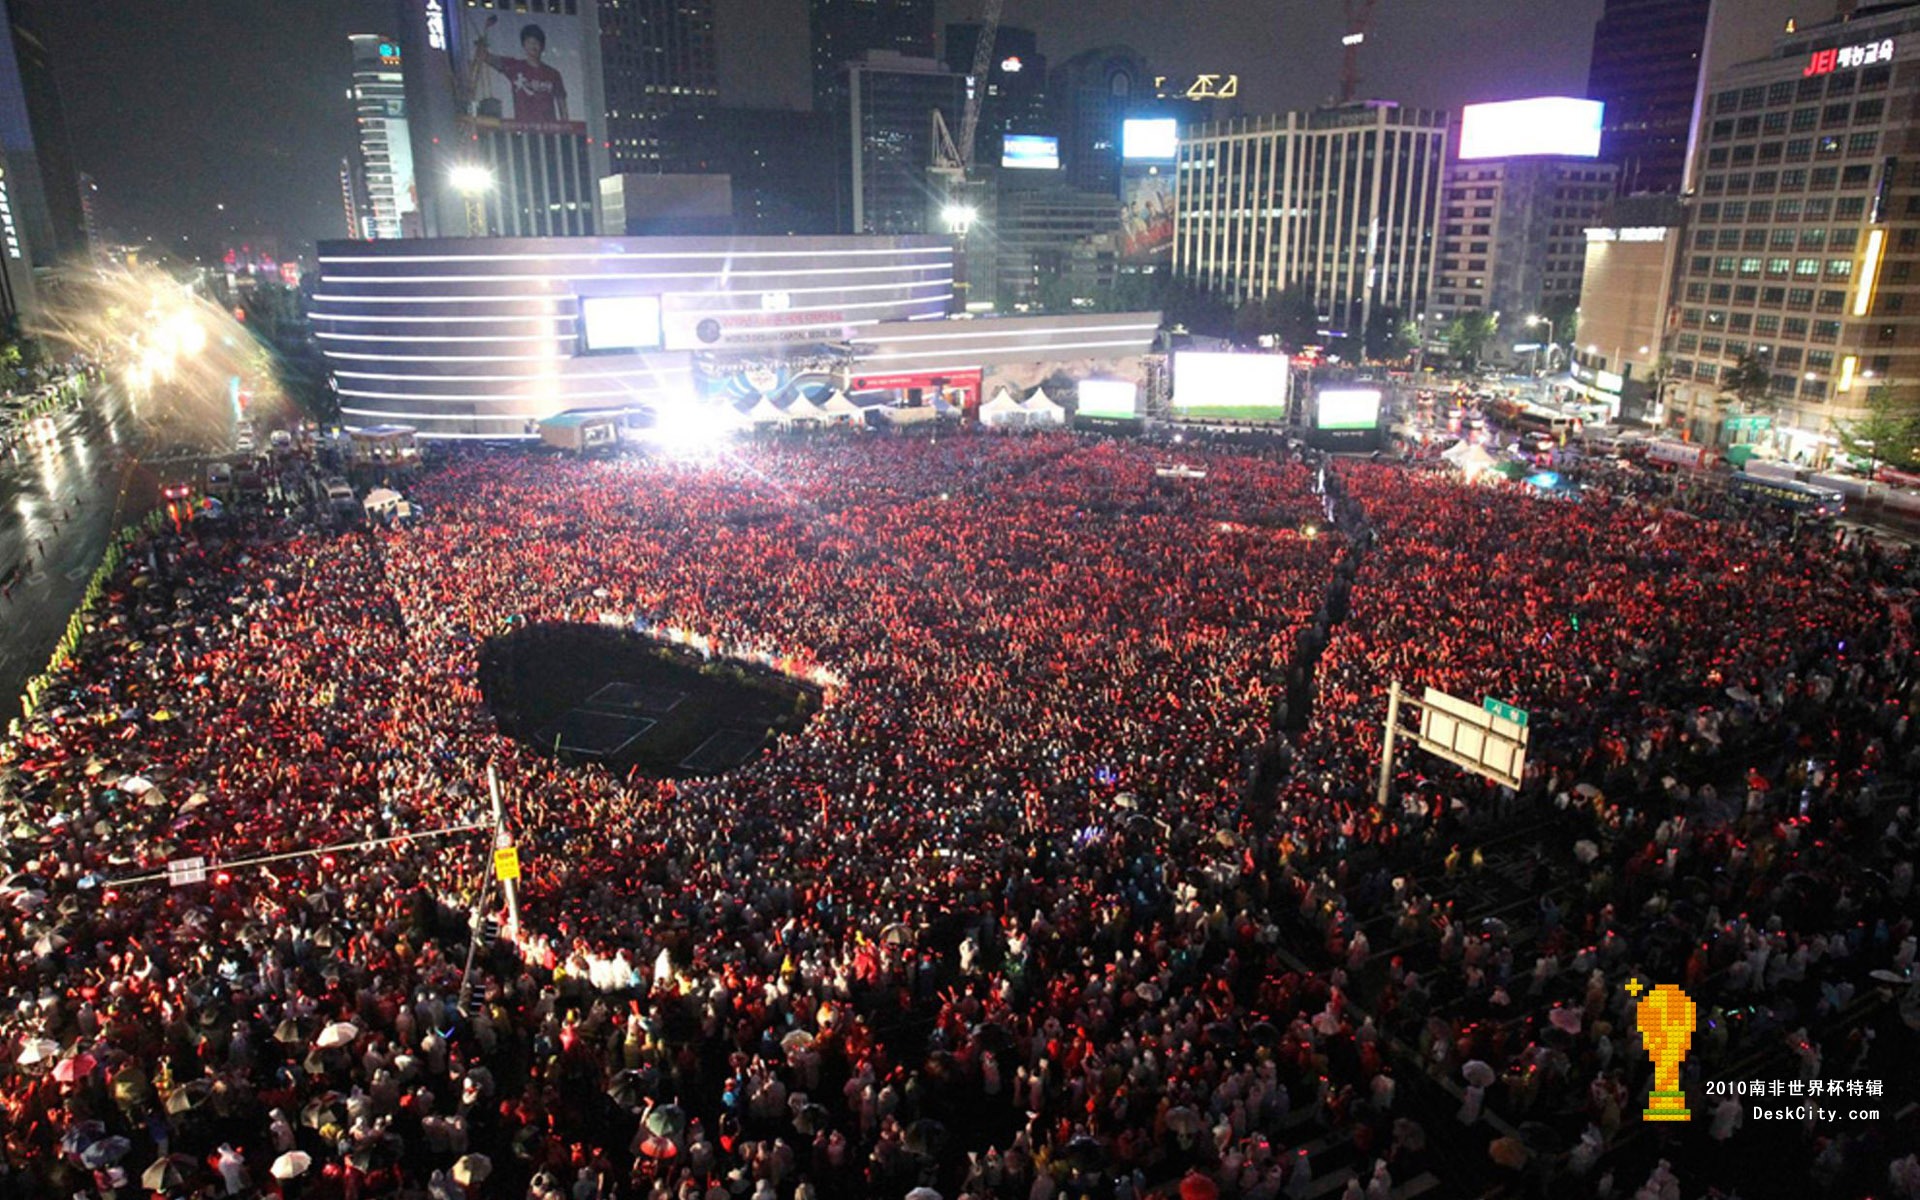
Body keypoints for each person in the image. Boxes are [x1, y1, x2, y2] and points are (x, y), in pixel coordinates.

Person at [477, 22, 569, 124]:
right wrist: (481, 45)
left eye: (536, 42)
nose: (533, 46)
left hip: (549, 131)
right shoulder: (515, 67)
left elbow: (562, 104)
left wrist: (566, 127)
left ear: (542, 46)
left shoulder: (553, 74)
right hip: (523, 131)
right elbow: (486, 57)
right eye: (529, 42)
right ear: (524, 45)